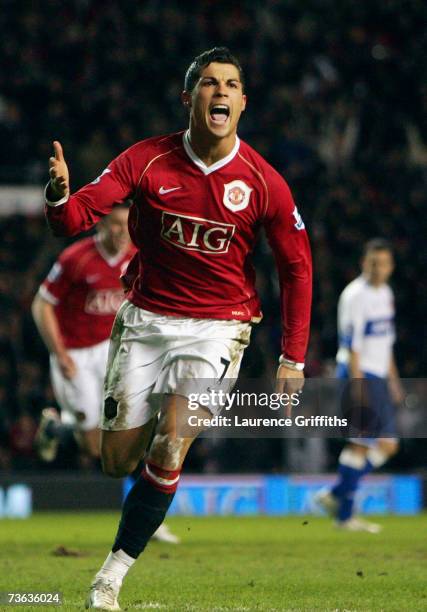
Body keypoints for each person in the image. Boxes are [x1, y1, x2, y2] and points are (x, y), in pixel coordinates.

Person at [44, 47, 312, 610]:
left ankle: (109, 577)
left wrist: (293, 357)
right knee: (116, 459)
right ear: (189, 97)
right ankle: (148, 488)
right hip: (145, 319)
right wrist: (58, 196)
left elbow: (297, 268)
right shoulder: (146, 160)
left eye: (231, 84)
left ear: (243, 101)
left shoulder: (264, 182)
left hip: (219, 327)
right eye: (210, 83)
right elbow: (78, 216)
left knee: (171, 442)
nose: (221, 92)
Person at [32, 205, 178, 544]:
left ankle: (144, 514)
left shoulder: (140, 256)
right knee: (94, 445)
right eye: (113, 224)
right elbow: (42, 305)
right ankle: (57, 426)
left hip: (115, 352)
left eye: (125, 224)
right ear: (100, 224)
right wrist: (60, 353)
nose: (119, 231)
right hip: (76, 355)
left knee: (130, 431)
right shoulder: (76, 258)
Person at [315, 239, 403, 532]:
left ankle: (335, 494)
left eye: (384, 263)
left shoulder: (386, 293)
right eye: (373, 263)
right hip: (359, 373)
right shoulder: (355, 295)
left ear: (391, 266)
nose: (378, 269)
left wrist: (393, 379)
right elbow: (352, 344)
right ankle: (345, 517)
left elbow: (384, 341)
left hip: (378, 375)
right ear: (363, 263)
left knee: (388, 445)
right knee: (359, 444)